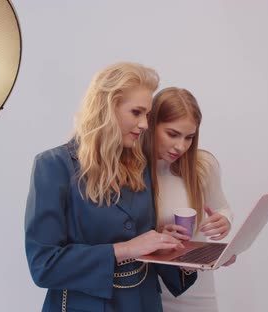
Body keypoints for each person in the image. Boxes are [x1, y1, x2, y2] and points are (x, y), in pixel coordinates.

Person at [24, 63, 197, 312]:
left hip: (144, 302)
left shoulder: (139, 164)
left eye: (147, 114)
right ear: (106, 108)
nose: (145, 124)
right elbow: (44, 266)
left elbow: (140, 240)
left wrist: (165, 245)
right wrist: (127, 249)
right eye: (136, 112)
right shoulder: (52, 166)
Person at [143, 87, 235, 312]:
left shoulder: (202, 166)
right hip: (150, 290)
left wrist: (224, 220)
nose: (181, 146)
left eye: (189, 137)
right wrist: (158, 236)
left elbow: (221, 207)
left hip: (198, 290)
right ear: (150, 124)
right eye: (172, 134)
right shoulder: (134, 171)